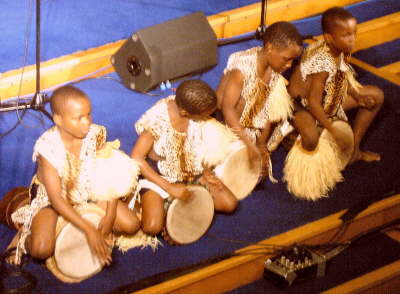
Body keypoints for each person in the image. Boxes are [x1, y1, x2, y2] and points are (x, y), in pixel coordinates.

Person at [1, 85, 140, 265]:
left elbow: (108, 175)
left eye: (89, 114)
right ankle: (25, 231)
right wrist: (89, 230)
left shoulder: (95, 133)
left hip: (86, 188)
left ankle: (70, 223)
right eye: (78, 118)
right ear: (58, 119)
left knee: (131, 225)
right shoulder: (47, 148)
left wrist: (110, 215)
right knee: (41, 250)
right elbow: (57, 200)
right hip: (53, 199)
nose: (87, 122)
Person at [131, 79, 239, 238]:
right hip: (160, 175)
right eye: (204, 115)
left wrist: (206, 171)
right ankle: (155, 205)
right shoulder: (157, 120)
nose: (208, 118)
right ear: (184, 113)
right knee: (152, 227)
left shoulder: (195, 113)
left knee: (229, 204)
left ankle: (177, 206)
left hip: (189, 170)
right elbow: (137, 158)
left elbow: (198, 144)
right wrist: (169, 187)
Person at [288, 6, 384, 163]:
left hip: (322, 99)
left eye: (354, 33)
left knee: (376, 95)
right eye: (346, 35)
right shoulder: (322, 62)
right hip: (301, 106)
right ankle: (295, 136)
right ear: (329, 37)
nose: (352, 39)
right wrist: (332, 129)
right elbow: (313, 102)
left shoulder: (338, 48)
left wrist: (357, 96)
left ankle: (353, 151)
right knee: (314, 138)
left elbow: (340, 75)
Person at [216, 21, 303, 177]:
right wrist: (249, 144)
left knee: (259, 175)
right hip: (226, 120)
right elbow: (226, 108)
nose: (289, 65)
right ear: (270, 48)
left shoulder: (276, 67)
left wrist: (261, 145)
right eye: (287, 59)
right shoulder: (242, 69)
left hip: (250, 119)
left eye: (292, 61)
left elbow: (266, 109)